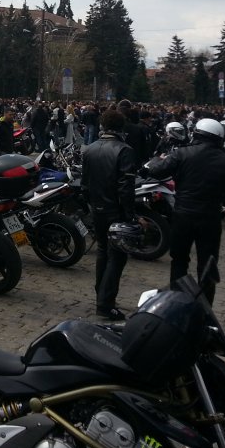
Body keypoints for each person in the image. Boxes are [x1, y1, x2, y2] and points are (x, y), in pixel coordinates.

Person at [144, 117, 225, 304]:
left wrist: (158, 160)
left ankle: (176, 302)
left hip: (183, 215)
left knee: (179, 260)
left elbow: (156, 171)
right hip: (210, 218)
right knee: (208, 265)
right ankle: (205, 308)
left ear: (196, 133)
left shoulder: (181, 153)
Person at [81, 109, 137, 320]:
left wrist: (92, 205)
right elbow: (125, 187)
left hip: (98, 208)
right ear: (121, 127)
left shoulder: (90, 149)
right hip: (115, 210)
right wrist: (129, 215)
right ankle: (105, 303)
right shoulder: (124, 150)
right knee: (117, 256)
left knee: (103, 251)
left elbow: (84, 183)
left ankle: (101, 293)